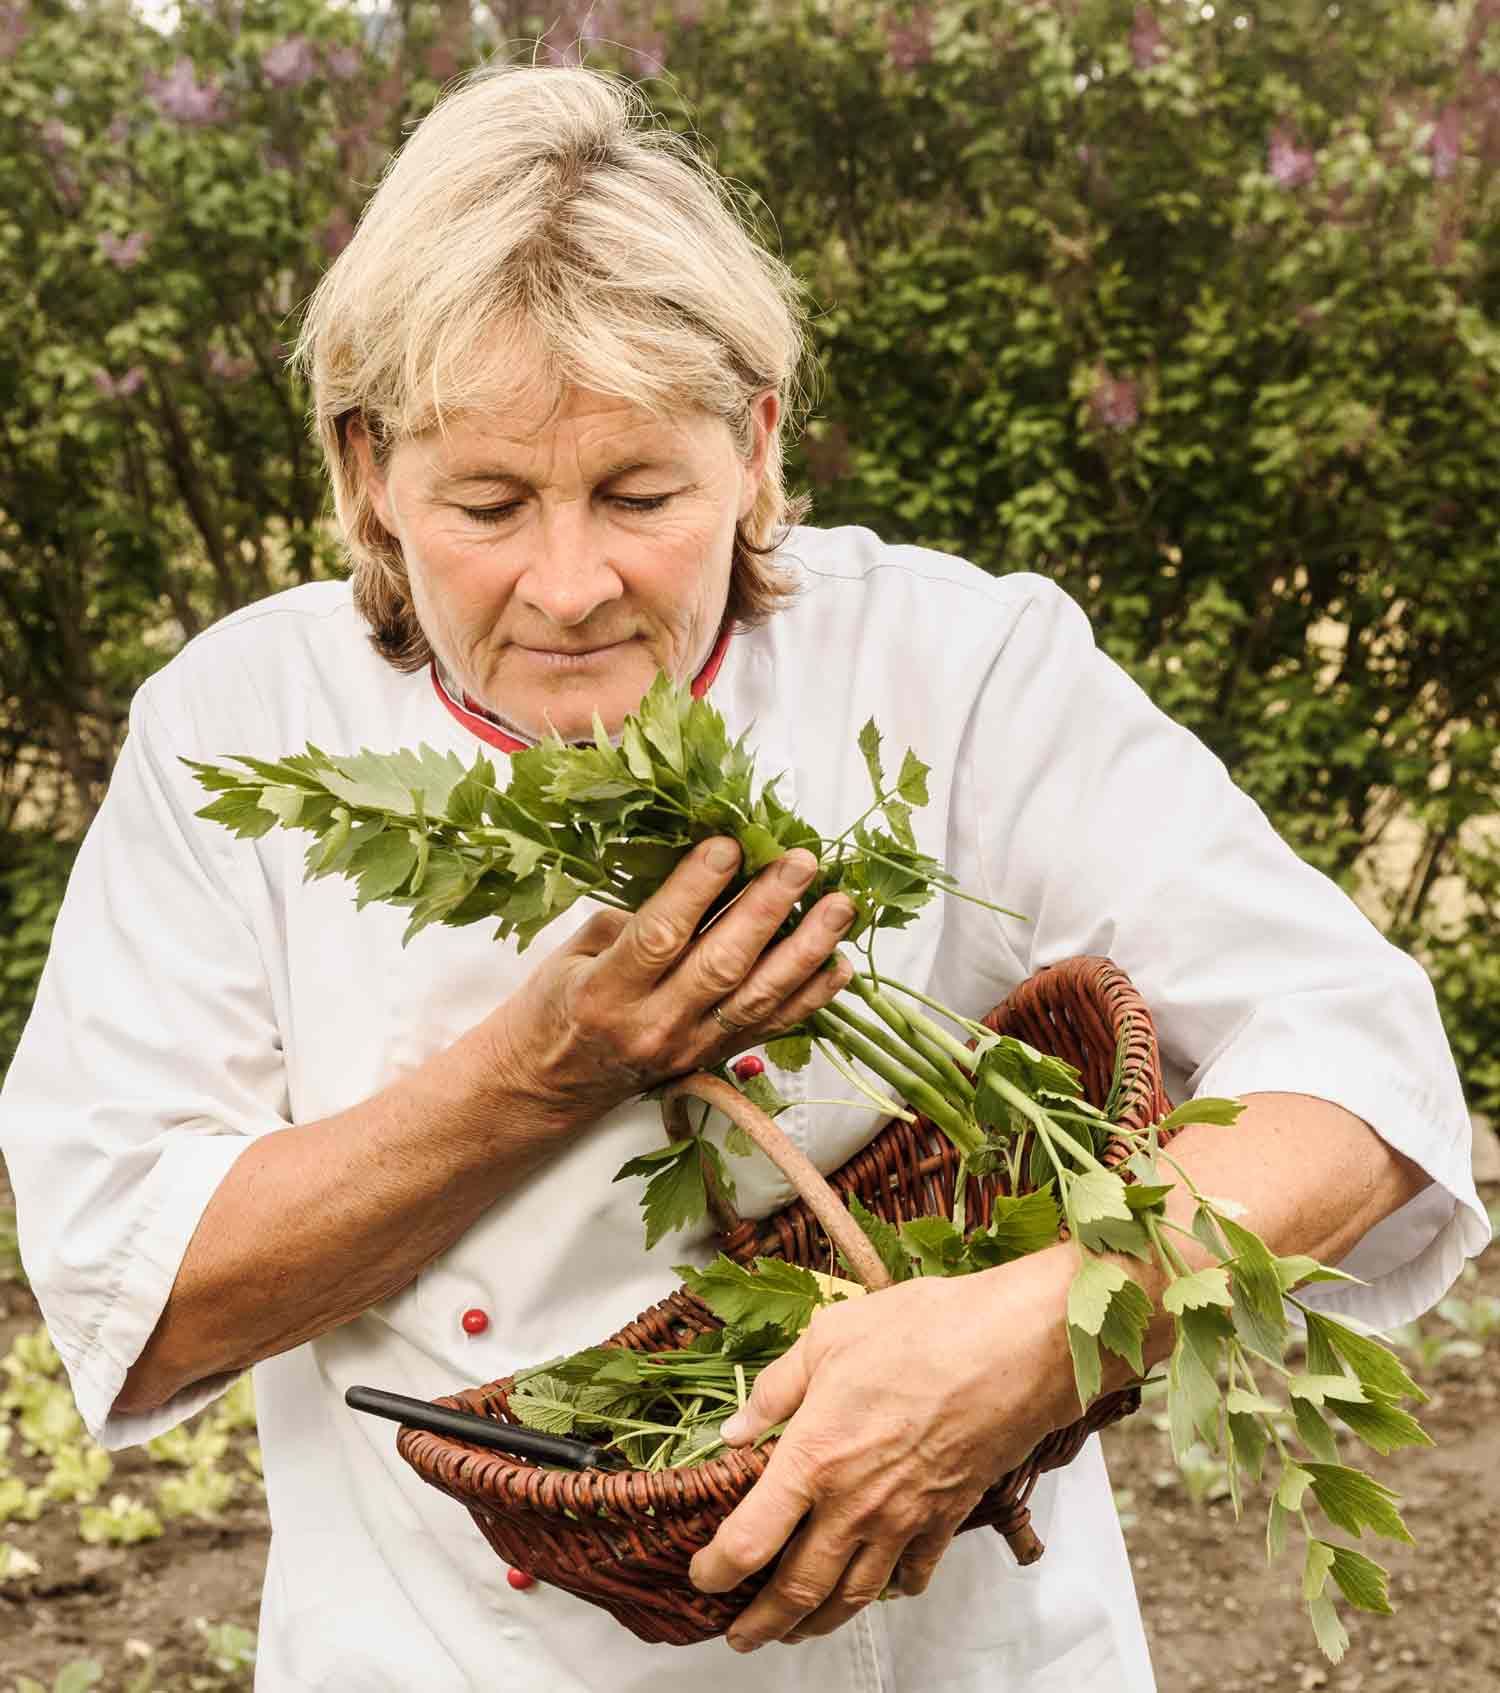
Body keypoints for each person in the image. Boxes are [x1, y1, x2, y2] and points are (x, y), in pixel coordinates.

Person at [0, 63, 1488, 1693]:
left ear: (759, 445)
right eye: (487, 502)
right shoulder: (237, 727)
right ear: (368, 471)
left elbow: (1364, 1072)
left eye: (640, 494)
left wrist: (1035, 1331)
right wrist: (549, 1068)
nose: (570, 582)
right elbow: (139, 1287)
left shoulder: (954, 666)